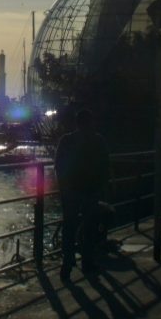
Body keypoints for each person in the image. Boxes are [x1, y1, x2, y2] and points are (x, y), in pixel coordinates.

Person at [55, 108, 110, 280]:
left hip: (71, 190)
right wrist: (102, 186)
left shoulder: (66, 140)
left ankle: (67, 263)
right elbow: (105, 166)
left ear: (76, 123)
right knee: (89, 226)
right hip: (91, 190)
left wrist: (63, 187)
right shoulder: (98, 140)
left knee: (69, 227)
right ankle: (87, 261)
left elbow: (59, 165)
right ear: (91, 122)